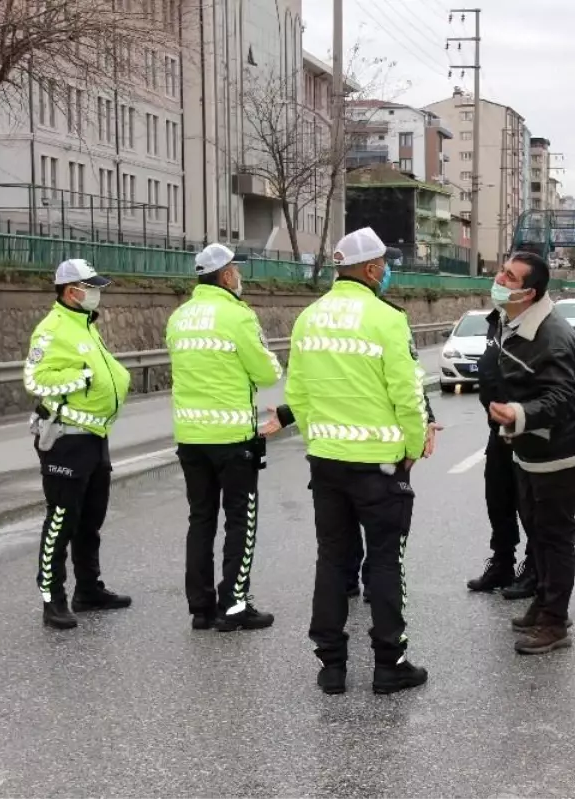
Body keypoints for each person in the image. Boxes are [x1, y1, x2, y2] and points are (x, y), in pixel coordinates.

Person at [283, 227, 430, 695]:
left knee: (332, 560)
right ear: (369, 269)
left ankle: (331, 666)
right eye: (384, 264)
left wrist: (319, 439)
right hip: (380, 466)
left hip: (326, 462)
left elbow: (297, 394)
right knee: (385, 562)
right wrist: (412, 446)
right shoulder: (387, 319)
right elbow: (407, 394)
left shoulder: (308, 318)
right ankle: (390, 664)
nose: (386, 271)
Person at [166, 243, 285, 633]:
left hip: (190, 436)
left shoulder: (179, 317)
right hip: (232, 438)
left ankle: (201, 609)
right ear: (226, 275)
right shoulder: (238, 315)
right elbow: (268, 372)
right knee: (240, 521)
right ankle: (233, 605)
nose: (239, 276)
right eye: (236, 269)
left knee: (200, 519)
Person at [487, 251, 575, 655]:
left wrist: (518, 414)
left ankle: (555, 621)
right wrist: (514, 423)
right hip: (531, 447)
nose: (499, 279)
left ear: (529, 293)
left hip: (558, 452)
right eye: (502, 271)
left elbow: (561, 397)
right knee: (537, 529)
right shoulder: (515, 320)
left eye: (510, 277)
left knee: (554, 537)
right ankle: (546, 601)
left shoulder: (552, 335)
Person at [23, 258, 132, 630]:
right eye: (91, 287)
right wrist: (83, 377)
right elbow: (35, 379)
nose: (96, 293)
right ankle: (52, 598)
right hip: (65, 439)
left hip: (95, 436)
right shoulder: (52, 330)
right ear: (72, 292)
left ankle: (88, 589)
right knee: (61, 520)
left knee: (90, 520)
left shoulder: (84, 325)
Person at [465, 307, 530, 595]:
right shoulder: (497, 322)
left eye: (507, 283)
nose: (500, 286)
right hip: (498, 429)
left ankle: (535, 568)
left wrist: (518, 418)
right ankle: (502, 563)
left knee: (530, 505)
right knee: (498, 500)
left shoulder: (534, 323)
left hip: (526, 429)